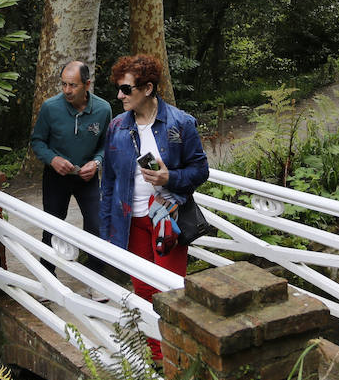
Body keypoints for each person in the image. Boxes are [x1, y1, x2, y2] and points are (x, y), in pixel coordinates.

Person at [99, 53, 209, 359]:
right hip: (130, 221)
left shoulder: (181, 123)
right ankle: (158, 359)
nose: (119, 95)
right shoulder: (117, 127)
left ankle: (178, 357)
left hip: (166, 219)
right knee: (144, 290)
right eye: (119, 89)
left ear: (147, 89)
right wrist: (106, 228)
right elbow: (107, 182)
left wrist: (168, 177)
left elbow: (201, 171)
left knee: (171, 292)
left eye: (126, 89)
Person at [29, 61, 111, 258]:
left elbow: (107, 145)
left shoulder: (103, 109)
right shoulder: (50, 107)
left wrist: (97, 162)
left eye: (73, 85)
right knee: (52, 229)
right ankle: (48, 277)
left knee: (96, 227)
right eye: (64, 84)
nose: (67, 90)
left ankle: (95, 278)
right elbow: (37, 141)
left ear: (87, 84)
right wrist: (52, 159)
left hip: (87, 178)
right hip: (56, 177)